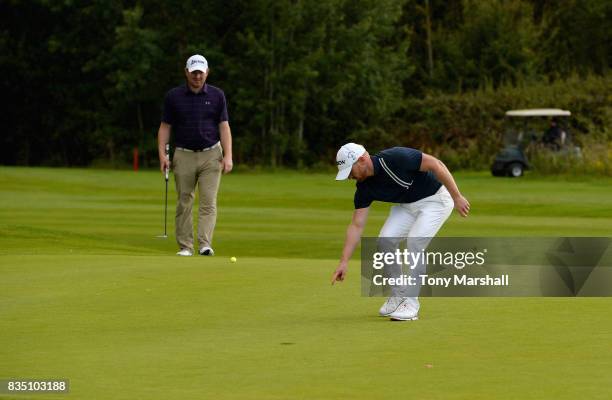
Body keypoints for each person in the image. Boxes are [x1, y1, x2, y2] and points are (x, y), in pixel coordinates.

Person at [330, 143, 470, 321]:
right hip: (406, 206)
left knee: (415, 242)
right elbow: (357, 225)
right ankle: (398, 295)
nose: (349, 176)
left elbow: (436, 164)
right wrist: (344, 261)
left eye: (350, 170)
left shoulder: (396, 157)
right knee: (385, 241)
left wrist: (457, 196)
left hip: (436, 200)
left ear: (362, 159)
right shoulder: (364, 188)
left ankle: (411, 303)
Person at [157, 54, 233, 256]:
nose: (197, 76)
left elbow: (224, 127)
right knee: (184, 200)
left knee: (209, 202)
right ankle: (186, 246)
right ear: (186, 72)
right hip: (183, 154)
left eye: (201, 72)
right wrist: (163, 155)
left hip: (211, 154)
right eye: (194, 72)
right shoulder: (173, 97)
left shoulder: (217, 95)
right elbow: (165, 127)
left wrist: (228, 156)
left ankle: (205, 244)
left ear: (207, 72)